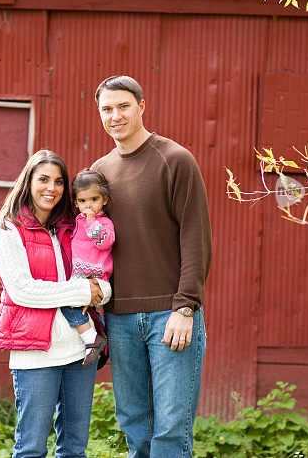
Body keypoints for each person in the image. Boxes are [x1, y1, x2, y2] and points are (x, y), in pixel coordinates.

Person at [91, 75, 212, 457]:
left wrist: (185, 306)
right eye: (107, 109)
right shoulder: (100, 171)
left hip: (169, 316)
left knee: (171, 430)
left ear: (141, 106)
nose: (116, 116)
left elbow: (196, 237)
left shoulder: (174, 159)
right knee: (134, 425)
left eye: (123, 106)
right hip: (120, 318)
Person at [0, 150, 112, 458]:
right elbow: (23, 291)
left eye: (59, 181)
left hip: (80, 349)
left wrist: (103, 292)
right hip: (36, 352)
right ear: (28, 182)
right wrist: (84, 291)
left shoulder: (72, 227)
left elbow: (101, 272)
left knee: (74, 449)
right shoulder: (9, 229)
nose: (52, 188)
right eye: (43, 179)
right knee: (31, 448)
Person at [59, 168, 115, 366]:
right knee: (69, 304)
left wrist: (92, 222)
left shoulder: (104, 222)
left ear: (104, 199)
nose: (88, 205)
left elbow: (105, 243)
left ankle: (93, 339)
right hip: (78, 275)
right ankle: (94, 339)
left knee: (70, 303)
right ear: (76, 202)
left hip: (95, 275)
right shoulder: (78, 221)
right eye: (82, 201)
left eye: (94, 199)